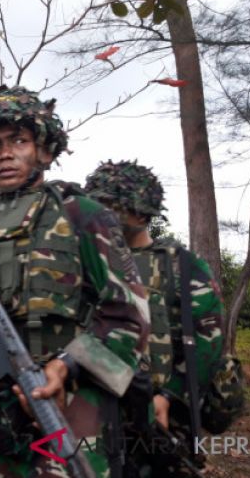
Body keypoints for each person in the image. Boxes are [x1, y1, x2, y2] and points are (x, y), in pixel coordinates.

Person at [0, 85, 150, 478]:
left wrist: (66, 368)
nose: (5, 153)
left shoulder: (82, 214)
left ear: (45, 150)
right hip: (0, 412)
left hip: (73, 405)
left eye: (19, 140)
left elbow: (131, 316)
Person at [85, 160, 230, 476]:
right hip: (94, 414)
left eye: (109, 206)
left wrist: (169, 396)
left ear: (140, 212)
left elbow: (210, 341)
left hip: (162, 418)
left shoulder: (182, 267)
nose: (99, 215)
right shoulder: (91, 265)